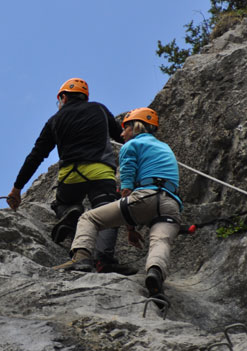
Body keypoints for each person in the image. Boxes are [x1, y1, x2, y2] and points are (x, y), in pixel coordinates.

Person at [7, 77, 136, 275]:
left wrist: (17, 188)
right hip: (100, 173)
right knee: (108, 213)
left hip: (70, 176)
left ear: (64, 97)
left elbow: (36, 155)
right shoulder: (99, 109)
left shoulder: (54, 120)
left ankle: (72, 215)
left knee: (63, 204)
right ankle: (104, 261)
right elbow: (123, 138)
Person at [53, 107, 182, 301]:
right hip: (171, 203)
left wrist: (127, 209)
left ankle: (81, 258)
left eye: (124, 128)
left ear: (135, 127)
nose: (121, 134)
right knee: (161, 241)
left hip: (145, 196)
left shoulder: (131, 146)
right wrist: (130, 228)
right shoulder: (165, 148)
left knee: (89, 217)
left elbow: (127, 183)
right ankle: (155, 274)